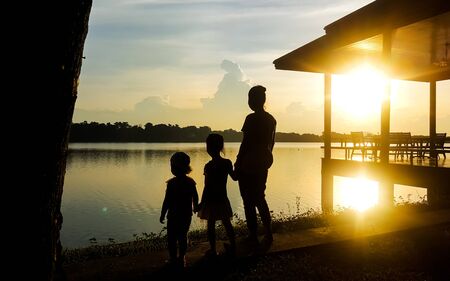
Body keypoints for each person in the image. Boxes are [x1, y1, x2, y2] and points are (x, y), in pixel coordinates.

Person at [234, 85, 276, 246]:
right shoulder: (271, 119)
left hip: (249, 163)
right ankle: (269, 233)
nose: (249, 102)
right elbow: (271, 143)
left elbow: (246, 143)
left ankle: (253, 235)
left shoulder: (251, 119)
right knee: (260, 198)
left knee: (248, 201)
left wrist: (238, 162)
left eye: (250, 99)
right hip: (263, 162)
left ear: (253, 101)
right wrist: (267, 158)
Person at [198, 133, 237, 257]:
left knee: (211, 225)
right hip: (222, 198)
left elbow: (207, 187)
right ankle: (233, 246)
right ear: (221, 147)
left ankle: (213, 250)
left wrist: (201, 203)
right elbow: (235, 177)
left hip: (210, 200)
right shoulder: (227, 163)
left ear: (208, 148)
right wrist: (240, 165)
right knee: (227, 223)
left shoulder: (208, 166)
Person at [160, 152, 199, 267]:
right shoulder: (190, 182)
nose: (171, 169)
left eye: (172, 166)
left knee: (171, 238)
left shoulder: (171, 183)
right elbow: (195, 196)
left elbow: (166, 201)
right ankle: (181, 258)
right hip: (186, 214)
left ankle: (174, 258)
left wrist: (163, 214)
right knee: (182, 236)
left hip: (173, 215)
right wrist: (195, 206)